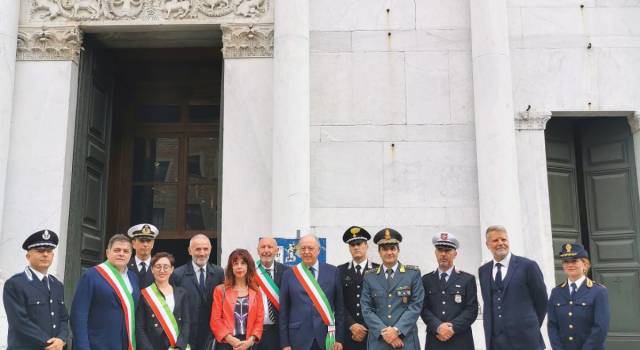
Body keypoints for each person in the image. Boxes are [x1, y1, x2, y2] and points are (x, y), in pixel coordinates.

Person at [478, 225, 548, 350]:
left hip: (526, 340)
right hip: (495, 342)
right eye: (495, 240)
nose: (500, 243)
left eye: (503, 240)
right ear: (487, 244)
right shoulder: (483, 271)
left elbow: (541, 302)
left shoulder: (528, 266)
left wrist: (528, 326)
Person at [71, 234, 141, 350]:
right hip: (99, 345)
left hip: (127, 344)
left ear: (130, 255)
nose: (121, 254)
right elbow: (78, 315)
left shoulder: (133, 278)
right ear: (107, 253)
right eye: (117, 250)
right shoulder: (92, 275)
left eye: (126, 251)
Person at [2, 229, 68, 350]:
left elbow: (63, 318)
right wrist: (51, 343)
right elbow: (20, 322)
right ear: (28, 256)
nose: (45, 254)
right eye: (40, 251)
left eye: (49, 251)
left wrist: (62, 339)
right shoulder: (15, 284)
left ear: (53, 255)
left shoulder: (57, 285)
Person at [360, 228, 424, 350]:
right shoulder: (370, 277)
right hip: (379, 341)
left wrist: (396, 331)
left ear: (398, 251)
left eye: (392, 248)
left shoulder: (412, 274)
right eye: (385, 249)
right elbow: (366, 308)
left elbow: (416, 306)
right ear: (379, 252)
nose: (389, 252)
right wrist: (385, 332)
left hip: (406, 340)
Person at [279, 234, 345, 350]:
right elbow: (284, 311)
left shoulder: (333, 271)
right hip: (298, 338)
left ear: (318, 250)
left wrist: (339, 339)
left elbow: (339, 308)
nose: (306, 252)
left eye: (310, 248)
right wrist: (285, 343)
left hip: (326, 338)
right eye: (303, 248)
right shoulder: (289, 274)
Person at [420, 232, 478, 349]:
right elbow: (423, 308)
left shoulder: (467, 279)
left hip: (460, 339)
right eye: (440, 250)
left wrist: (452, 328)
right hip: (435, 339)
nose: (443, 254)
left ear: (455, 253)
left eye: (447, 251)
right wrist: (438, 327)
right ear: (435, 253)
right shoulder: (426, 280)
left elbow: (472, 309)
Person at [547, 243, 610, 350]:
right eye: (566, 262)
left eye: (574, 261)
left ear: (585, 264)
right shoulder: (556, 292)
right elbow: (552, 326)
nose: (570, 265)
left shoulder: (598, 291)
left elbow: (600, 328)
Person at [171, 234, 225, 350]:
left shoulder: (219, 273)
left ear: (210, 250)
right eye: (198, 249)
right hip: (187, 335)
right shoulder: (177, 274)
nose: (202, 253)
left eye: (205, 249)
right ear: (190, 251)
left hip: (211, 335)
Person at [210, 249, 264, 350]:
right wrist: (231, 340)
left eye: (243, 263)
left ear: (248, 266)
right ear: (231, 267)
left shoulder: (256, 291)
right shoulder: (220, 290)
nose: (239, 267)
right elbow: (215, 320)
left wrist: (250, 341)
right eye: (235, 263)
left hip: (248, 343)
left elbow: (259, 320)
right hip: (226, 343)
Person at [136, 252, 191, 350]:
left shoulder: (182, 293)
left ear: (172, 270)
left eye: (166, 267)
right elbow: (140, 327)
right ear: (152, 269)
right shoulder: (144, 294)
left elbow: (186, 323)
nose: (162, 270)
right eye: (158, 266)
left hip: (176, 346)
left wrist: (179, 346)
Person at [338, 226, 379, 350]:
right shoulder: (340, 271)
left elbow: (382, 302)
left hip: (372, 332)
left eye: (359, 243)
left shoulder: (378, 270)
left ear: (366, 246)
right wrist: (352, 325)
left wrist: (364, 327)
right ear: (349, 248)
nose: (356, 247)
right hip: (348, 333)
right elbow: (338, 302)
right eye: (352, 245)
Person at [254, 236, 289, 350]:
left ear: (276, 250)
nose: (266, 250)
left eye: (270, 247)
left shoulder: (287, 272)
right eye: (263, 247)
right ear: (258, 250)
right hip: (254, 332)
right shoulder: (250, 272)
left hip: (277, 332)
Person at [127, 223, 158, 289]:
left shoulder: (159, 266)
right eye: (142, 241)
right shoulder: (125, 265)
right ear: (133, 243)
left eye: (148, 241)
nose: (145, 244)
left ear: (153, 244)